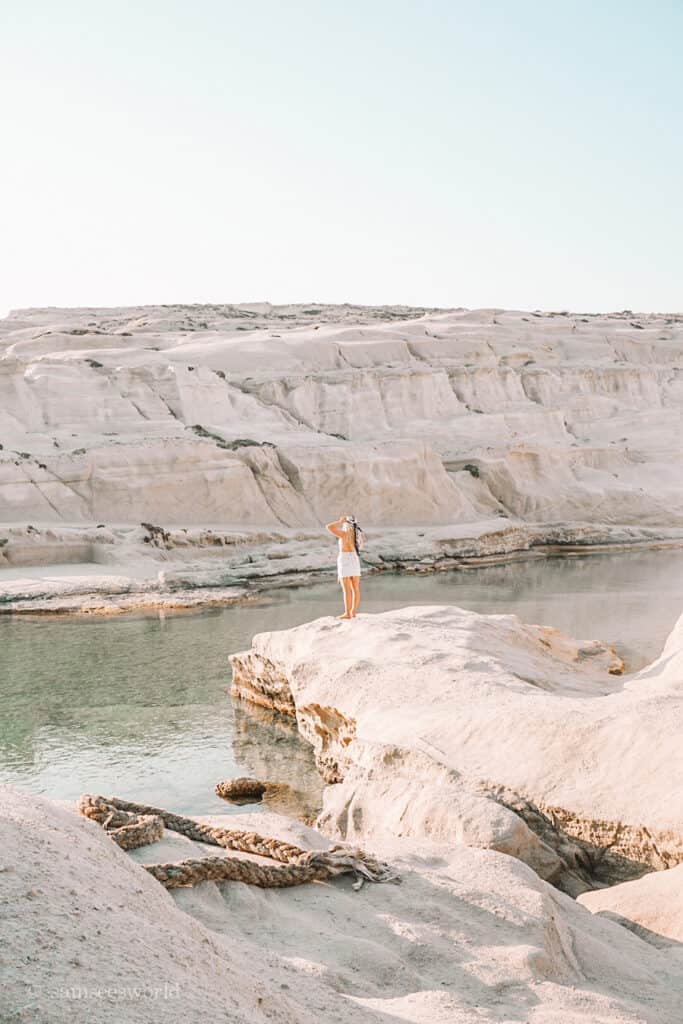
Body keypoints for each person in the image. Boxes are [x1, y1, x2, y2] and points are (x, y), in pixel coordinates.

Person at [325, 514, 364, 619]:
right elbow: (360, 547)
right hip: (354, 560)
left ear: (346, 524)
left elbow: (328, 527)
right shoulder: (358, 535)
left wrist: (339, 522)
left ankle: (347, 613)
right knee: (355, 588)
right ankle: (353, 612)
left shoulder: (343, 534)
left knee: (346, 589)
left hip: (345, 560)